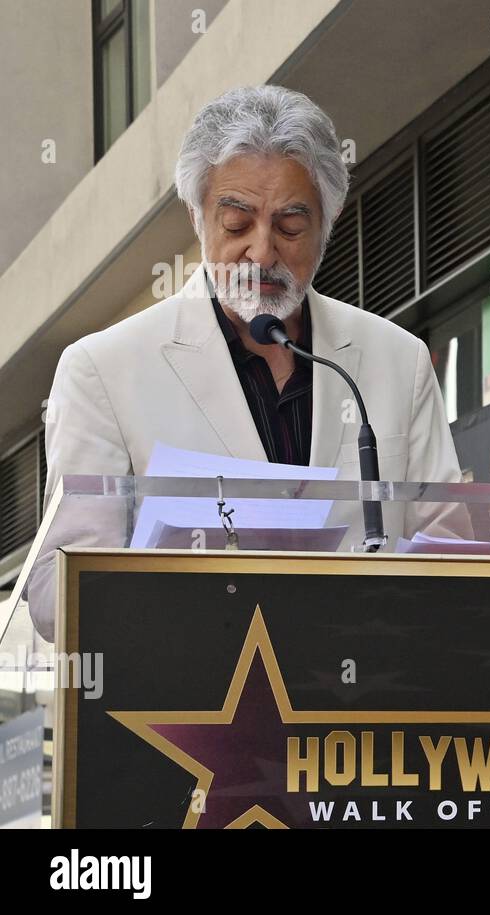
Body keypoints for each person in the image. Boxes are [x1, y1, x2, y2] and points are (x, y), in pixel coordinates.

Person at [29, 85, 465, 639]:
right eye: (236, 224)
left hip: (365, 702)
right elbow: (53, 594)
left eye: (290, 226)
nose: (262, 251)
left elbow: (452, 553)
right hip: (190, 703)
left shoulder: (397, 361)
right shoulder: (101, 370)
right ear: (196, 217)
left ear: (326, 225)